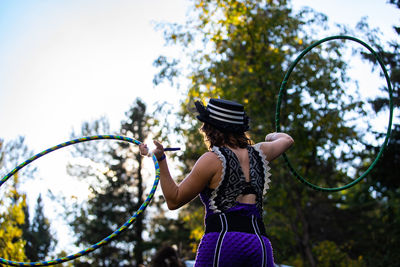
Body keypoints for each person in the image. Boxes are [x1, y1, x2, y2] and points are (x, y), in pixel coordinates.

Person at [139, 98, 294, 267]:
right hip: (260, 245)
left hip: (224, 242)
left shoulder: (211, 160)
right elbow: (287, 140)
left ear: (211, 129)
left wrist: (161, 159)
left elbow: (174, 199)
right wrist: (270, 136)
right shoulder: (261, 152)